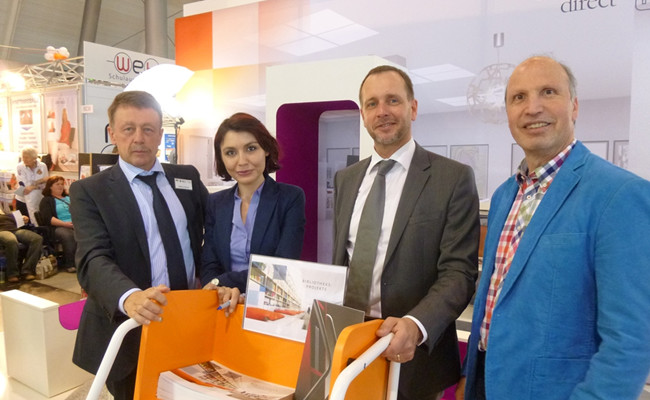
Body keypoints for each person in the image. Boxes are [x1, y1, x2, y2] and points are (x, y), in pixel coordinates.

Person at [458, 56, 650, 400]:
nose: (532, 108)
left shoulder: (620, 195)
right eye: (518, 97)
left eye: (548, 92)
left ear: (574, 106)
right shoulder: (504, 196)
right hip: (485, 384)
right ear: (508, 114)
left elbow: (631, 341)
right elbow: (493, 302)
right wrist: (468, 378)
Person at [69, 90, 239, 400]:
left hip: (188, 322)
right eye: (128, 128)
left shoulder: (186, 178)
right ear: (112, 134)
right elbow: (92, 258)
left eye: (148, 129)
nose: (139, 138)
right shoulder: (90, 191)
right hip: (131, 330)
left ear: (160, 134)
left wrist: (220, 280)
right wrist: (129, 297)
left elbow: (214, 236)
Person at [332, 65, 480, 400]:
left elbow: (459, 272)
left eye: (393, 100)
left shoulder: (452, 178)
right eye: (372, 104)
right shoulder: (346, 179)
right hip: (350, 343)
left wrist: (416, 324)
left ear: (412, 108)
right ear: (363, 115)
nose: (382, 111)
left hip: (414, 354)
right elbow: (344, 259)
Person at [201, 112, 305, 292]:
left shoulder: (290, 198)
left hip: (269, 300)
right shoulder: (216, 203)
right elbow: (209, 262)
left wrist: (222, 282)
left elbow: (282, 267)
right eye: (231, 153)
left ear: (266, 149)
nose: (242, 161)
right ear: (222, 158)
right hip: (222, 301)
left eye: (251, 148)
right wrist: (218, 289)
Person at [38, 175, 76, 273]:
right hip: (58, 226)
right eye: (57, 184)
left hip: (75, 223)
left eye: (62, 184)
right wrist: (65, 224)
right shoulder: (46, 200)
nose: (60, 186)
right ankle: (70, 263)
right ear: (50, 186)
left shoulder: (69, 198)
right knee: (68, 235)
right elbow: (48, 218)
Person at [0, 211, 42, 282]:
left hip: (14, 229)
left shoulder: (6, 207)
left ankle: (27, 270)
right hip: (2, 230)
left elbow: (14, 217)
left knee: (37, 239)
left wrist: (22, 218)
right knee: (11, 240)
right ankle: (12, 273)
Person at [15, 147, 48, 221]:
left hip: (38, 196)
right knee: (21, 220)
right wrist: (39, 181)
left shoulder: (42, 166)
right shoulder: (20, 166)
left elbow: (46, 182)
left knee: (37, 219)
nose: (24, 159)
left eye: (27, 157)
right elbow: (24, 185)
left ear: (34, 158)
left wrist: (33, 186)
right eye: (23, 157)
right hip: (22, 197)